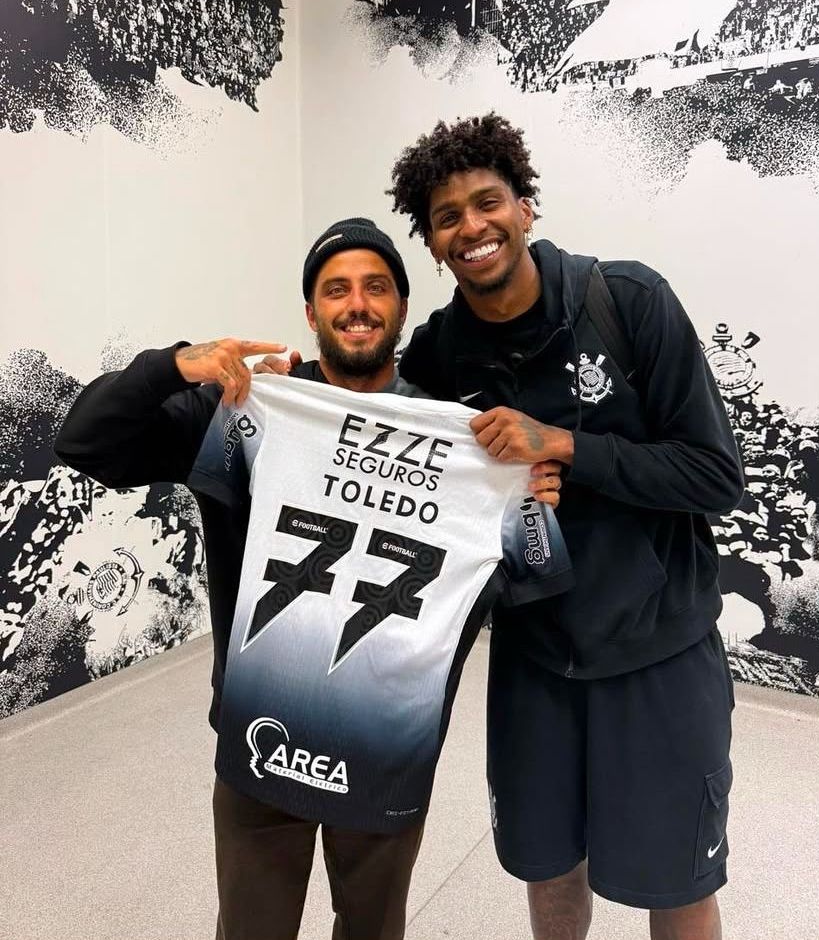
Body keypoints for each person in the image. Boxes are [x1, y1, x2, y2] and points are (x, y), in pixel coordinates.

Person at [54, 215, 566, 940]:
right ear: (310, 312)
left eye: (376, 287)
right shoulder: (246, 410)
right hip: (259, 731)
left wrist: (531, 500)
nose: (357, 304)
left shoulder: (464, 435)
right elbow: (84, 441)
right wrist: (174, 366)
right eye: (336, 290)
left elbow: (529, 581)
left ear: (400, 308)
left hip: (388, 743)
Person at [388, 113, 745, 940]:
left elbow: (713, 474)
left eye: (488, 203)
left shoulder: (628, 301)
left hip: (657, 652)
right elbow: (398, 470)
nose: (472, 226)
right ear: (435, 245)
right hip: (535, 661)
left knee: (677, 885)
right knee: (549, 878)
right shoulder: (440, 356)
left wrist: (568, 448)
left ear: (525, 208)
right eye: (448, 218)